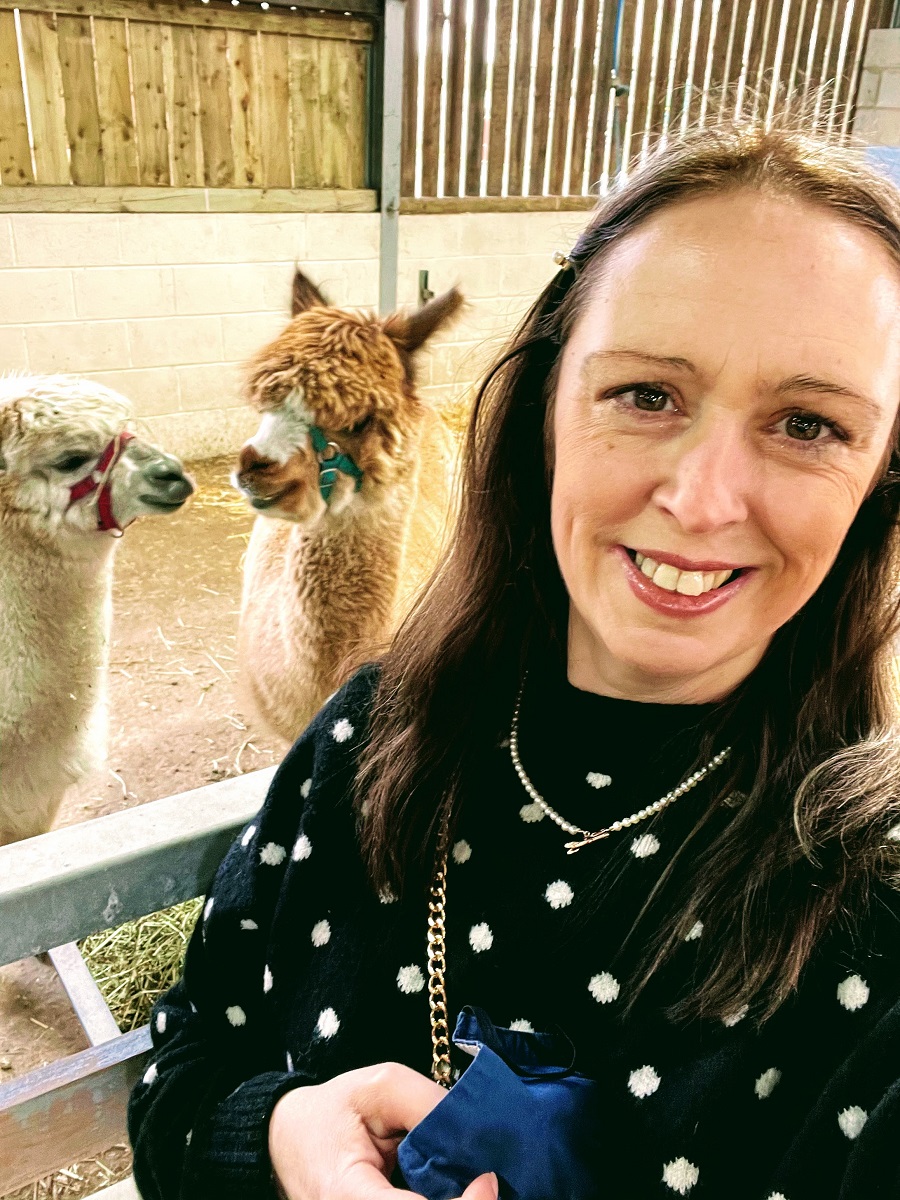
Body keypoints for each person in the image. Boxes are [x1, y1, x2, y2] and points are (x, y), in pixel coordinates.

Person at [128, 117, 900, 1200]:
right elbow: (191, 1057)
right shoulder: (365, 743)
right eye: (645, 394)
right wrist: (283, 1134)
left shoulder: (871, 902)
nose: (699, 500)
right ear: (543, 408)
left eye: (810, 424)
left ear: (881, 482)